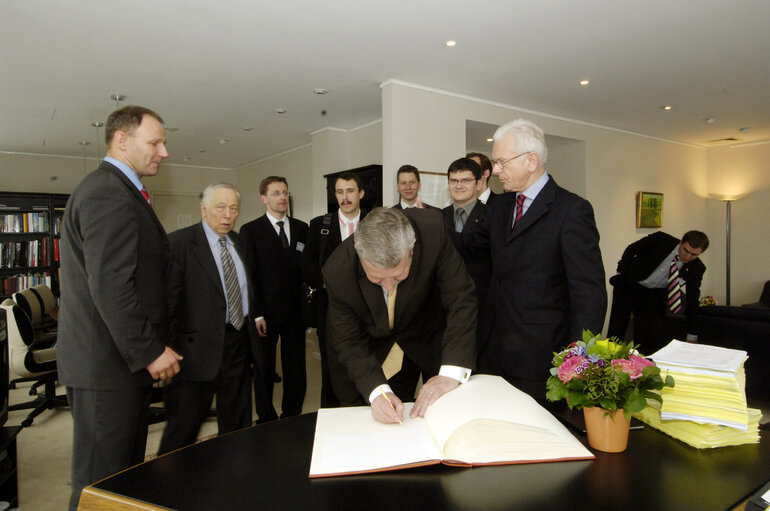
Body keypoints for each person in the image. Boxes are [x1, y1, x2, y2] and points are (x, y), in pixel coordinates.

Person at [58, 105, 183, 511]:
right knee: (99, 484)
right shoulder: (107, 192)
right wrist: (150, 350)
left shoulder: (119, 191)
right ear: (122, 140)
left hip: (115, 367)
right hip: (105, 368)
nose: (163, 151)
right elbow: (112, 286)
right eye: (156, 142)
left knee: (123, 482)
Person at [479, 118, 606, 399]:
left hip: (541, 359)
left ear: (531, 160)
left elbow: (589, 294)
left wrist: (577, 359)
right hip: (491, 351)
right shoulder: (499, 206)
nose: (496, 171)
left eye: (501, 162)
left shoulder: (572, 210)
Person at [322, 207, 476, 424]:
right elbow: (350, 342)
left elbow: (461, 299)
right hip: (368, 351)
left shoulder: (433, 231)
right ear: (359, 253)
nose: (388, 286)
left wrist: (451, 373)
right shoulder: (337, 271)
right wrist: (377, 393)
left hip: (420, 336)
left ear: (411, 250)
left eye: (397, 276)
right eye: (377, 279)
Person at [158, 183, 267, 454]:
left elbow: (246, 294)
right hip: (193, 355)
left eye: (233, 208)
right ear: (203, 209)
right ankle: (167, 490)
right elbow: (168, 305)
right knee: (182, 431)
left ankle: (232, 484)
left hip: (238, 347)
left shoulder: (239, 241)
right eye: (220, 207)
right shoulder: (179, 244)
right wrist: (165, 349)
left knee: (238, 427)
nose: (227, 215)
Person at [240, 176, 309, 418]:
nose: (282, 197)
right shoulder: (250, 231)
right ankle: (266, 417)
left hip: (295, 313)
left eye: (285, 193)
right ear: (264, 198)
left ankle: (292, 414)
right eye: (276, 193)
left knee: (296, 368)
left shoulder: (302, 229)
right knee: (264, 368)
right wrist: (256, 313)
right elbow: (249, 276)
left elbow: (305, 270)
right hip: (265, 314)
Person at [300, 172, 367, 408]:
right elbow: (307, 263)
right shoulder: (321, 225)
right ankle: (331, 417)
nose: (344, 197)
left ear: (361, 193)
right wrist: (327, 283)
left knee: (365, 364)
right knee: (331, 368)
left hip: (367, 309)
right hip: (330, 308)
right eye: (339, 191)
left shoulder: (373, 222)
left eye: (350, 191)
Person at [607, 230, 709, 353]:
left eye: (694, 254)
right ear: (681, 242)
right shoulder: (661, 240)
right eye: (685, 250)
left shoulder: (697, 268)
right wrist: (622, 271)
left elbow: (692, 300)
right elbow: (632, 249)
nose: (687, 257)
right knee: (617, 328)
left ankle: (644, 364)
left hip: (654, 294)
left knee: (650, 334)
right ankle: (608, 359)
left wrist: (692, 334)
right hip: (630, 285)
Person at [441, 157, 491, 322]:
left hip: (483, 304)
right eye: (453, 180)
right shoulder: (438, 218)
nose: (458, 185)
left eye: (465, 180)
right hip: (445, 304)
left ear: (478, 184)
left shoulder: (493, 216)